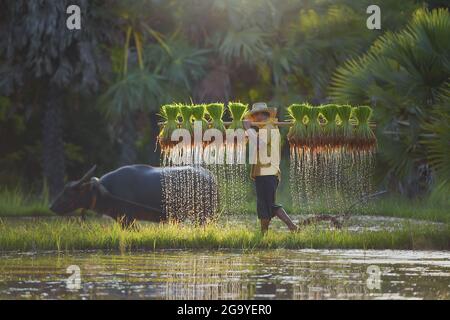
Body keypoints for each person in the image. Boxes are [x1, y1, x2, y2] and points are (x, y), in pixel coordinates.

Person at [243, 102, 298, 233]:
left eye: (256, 115)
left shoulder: (269, 128)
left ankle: (292, 227)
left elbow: (259, 145)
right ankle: (264, 235)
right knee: (264, 206)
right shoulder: (265, 129)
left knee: (268, 205)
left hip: (267, 173)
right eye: (253, 115)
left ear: (263, 114)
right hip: (264, 173)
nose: (255, 118)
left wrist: (248, 129)